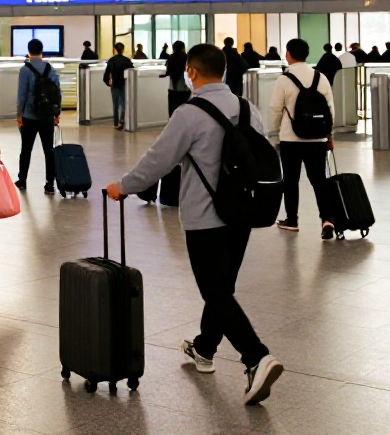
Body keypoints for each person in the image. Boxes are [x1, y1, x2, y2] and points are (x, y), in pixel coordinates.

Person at [103, 44, 284, 406]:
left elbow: (159, 160)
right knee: (222, 286)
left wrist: (123, 186)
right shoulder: (248, 109)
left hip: (205, 217)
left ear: (193, 71)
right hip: (242, 213)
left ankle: (256, 356)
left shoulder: (190, 112)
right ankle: (204, 348)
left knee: (215, 292)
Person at [268, 39, 338, 239]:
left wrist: (275, 132)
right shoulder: (320, 77)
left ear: (288, 54)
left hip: (290, 139)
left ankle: (292, 220)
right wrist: (328, 135)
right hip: (317, 139)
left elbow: (275, 108)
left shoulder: (284, 79)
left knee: (291, 180)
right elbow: (330, 109)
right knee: (319, 180)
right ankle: (327, 219)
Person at [15, 39, 60, 194]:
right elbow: (57, 93)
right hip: (47, 116)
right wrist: (57, 113)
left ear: (29, 51)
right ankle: (49, 184)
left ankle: (22, 180)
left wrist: (19, 115)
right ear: (42, 51)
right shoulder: (50, 69)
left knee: (26, 149)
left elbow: (22, 95)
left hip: (29, 116)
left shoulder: (25, 70)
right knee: (49, 150)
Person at [103, 42, 134, 129]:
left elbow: (106, 74)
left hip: (115, 83)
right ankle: (122, 121)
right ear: (123, 49)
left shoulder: (112, 60)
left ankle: (116, 123)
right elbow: (132, 71)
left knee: (115, 104)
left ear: (115, 49)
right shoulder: (127, 60)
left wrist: (107, 82)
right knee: (123, 103)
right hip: (124, 83)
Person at [162, 40, 189, 116]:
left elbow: (168, 71)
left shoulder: (171, 58)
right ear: (183, 47)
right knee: (184, 111)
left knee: (173, 111)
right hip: (184, 88)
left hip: (172, 88)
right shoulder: (187, 58)